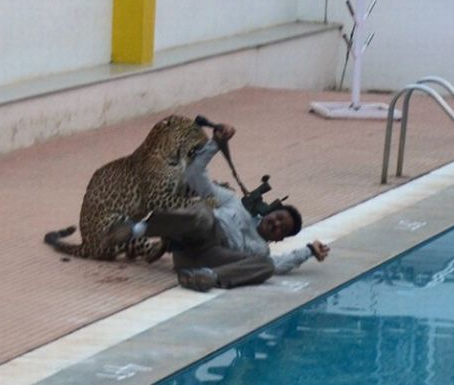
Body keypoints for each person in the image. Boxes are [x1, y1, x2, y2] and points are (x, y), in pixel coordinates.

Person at [106, 122, 330, 292]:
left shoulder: (260, 250)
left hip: (204, 261)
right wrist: (215, 143)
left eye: (283, 228)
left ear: (280, 239)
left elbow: (281, 265)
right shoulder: (233, 202)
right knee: (203, 212)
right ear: (271, 212)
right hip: (195, 237)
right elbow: (194, 176)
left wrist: (308, 251)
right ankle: (136, 230)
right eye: (279, 217)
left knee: (267, 266)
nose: (277, 224)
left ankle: (207, 279)